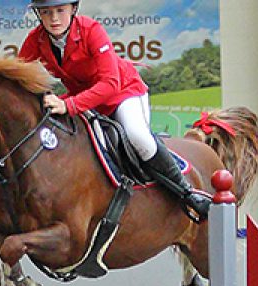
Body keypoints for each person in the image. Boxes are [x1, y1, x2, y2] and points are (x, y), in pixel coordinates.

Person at [17, 0, 212, 221]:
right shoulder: (36, 40)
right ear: (38, 15)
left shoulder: (91, 30)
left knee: (137, 135)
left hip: (123, 93)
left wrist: (69, 105)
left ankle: (187, 192)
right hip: (86, 101)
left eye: (60, 10)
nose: (54, 18)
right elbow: (17, 76)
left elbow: (110, 84)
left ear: (73, 9)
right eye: (46, 12)